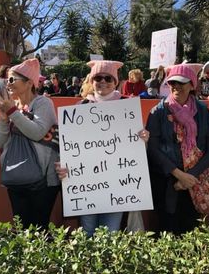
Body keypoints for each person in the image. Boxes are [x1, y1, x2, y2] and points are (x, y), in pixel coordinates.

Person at [55, 60, 149, 237]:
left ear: (115, 82)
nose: (103, 81)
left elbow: (137, 144)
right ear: (92, 80)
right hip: (85, 184)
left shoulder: (126, 106)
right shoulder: (80, 107)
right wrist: (64, 165)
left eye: (108, 78)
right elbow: (70, 144)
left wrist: (144, 138)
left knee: (110, 233)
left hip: (118, 183)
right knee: (87, 231)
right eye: (98, 77)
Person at [146, 64, 209, 235]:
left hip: (194, 181)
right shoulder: (157, 112)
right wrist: (178, 175)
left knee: (191, 228)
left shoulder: (203, 111)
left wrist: (189, 177)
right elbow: (154, 149)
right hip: (165, 181)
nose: (176, 86)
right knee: (166, 228)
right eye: (172, 82)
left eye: (181, 82)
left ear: (192, 84)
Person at [0, 58, 60, 229]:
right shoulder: (13, 106)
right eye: (5, 79)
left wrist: (12, 112)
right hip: (16, 178)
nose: (7, 84)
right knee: (22, 229)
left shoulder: (42, 103)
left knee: (40, 229)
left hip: (43, 180)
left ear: (29, 83)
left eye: (11, 79)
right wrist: (3, 118)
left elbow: (37, 132)